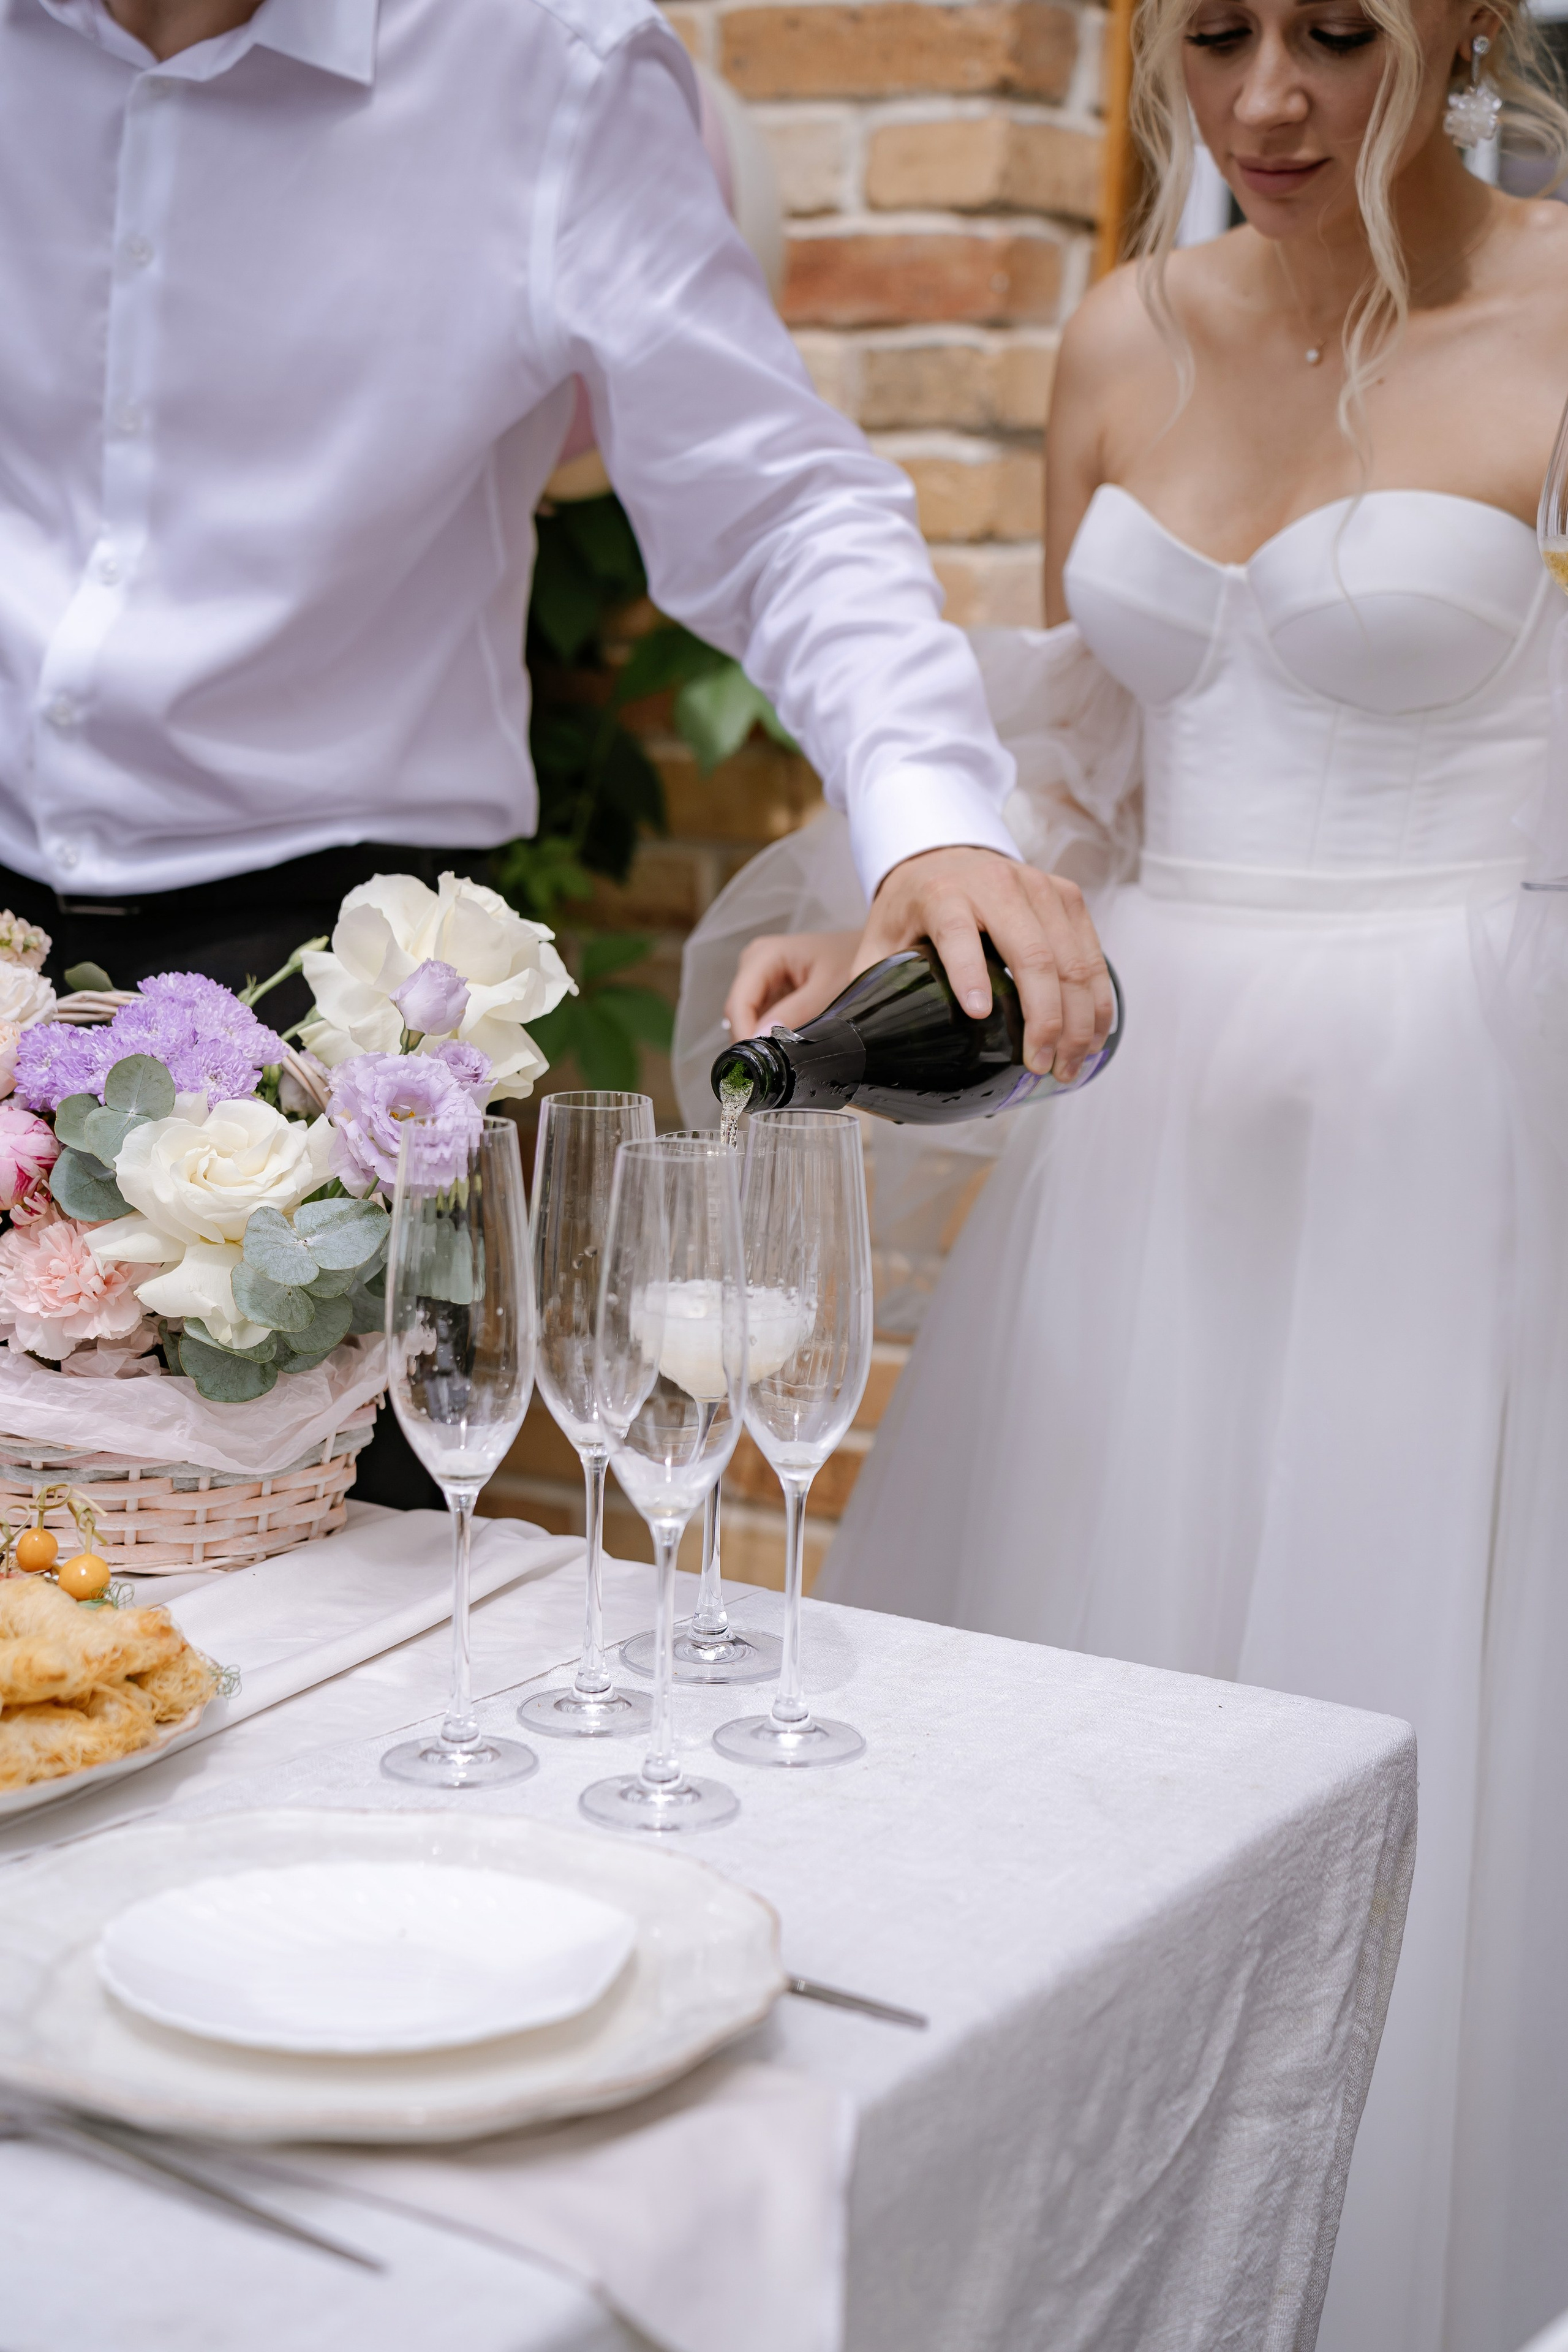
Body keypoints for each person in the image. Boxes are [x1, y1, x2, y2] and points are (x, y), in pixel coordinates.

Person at [683, 3, 1568, 2343]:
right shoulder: (1116, 331)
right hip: (1147, 1151)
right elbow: (1075, 807)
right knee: (1078, 1759)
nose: (1266, 102)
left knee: (1409, 1730)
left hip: (1450, 1136)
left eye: (1341, 36)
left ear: (1465, 23)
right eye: (1215, 35)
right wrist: (880, 943)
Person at [0, 0, 1113, 1499]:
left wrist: (928, 817)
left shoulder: (551, 65)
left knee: (341, 1616)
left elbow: (777, 504)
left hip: (345, 991)